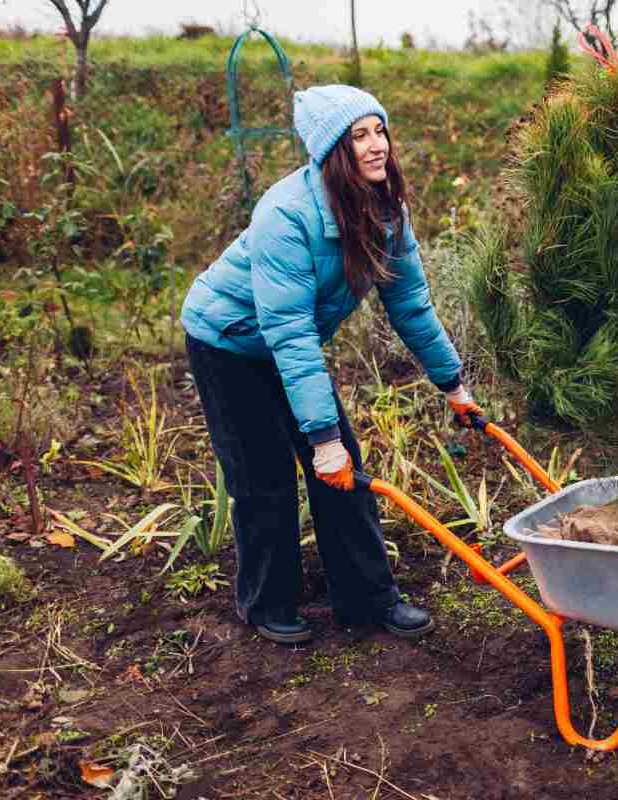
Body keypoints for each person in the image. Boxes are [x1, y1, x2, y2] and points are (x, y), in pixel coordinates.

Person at [180, 85, 483, 644]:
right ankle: (266, 603)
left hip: (287, 343)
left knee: (346, 473)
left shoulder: (387, 210)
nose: (377, 147)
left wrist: (453, 384)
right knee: (265, 475)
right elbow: (290, 333)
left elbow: (411, 303)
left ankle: (368, 600)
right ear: (331, 153)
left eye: (380, 131)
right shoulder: (285, 216)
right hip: (229, 341)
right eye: (359, 136)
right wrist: (320, 437)